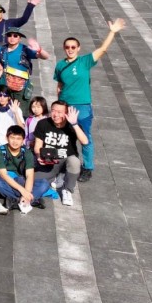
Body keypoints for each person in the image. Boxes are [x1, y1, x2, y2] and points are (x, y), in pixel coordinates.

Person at [53, 18, 125, 182]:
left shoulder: (84, 61)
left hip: (82, 107)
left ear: (78, 48)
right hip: (65, 106)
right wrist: (59, 105)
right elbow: (59, 85)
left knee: (85, 137)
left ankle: (88, 167)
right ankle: (70, 163)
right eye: (67, 47)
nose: (70, 49)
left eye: (73, 47)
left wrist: (112, 32)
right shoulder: (60, 65)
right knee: (66, 136)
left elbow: (103, 49)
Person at [33, 101, 89, 206]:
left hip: (66, 160)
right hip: (49, 161)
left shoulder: (71, 126)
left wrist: (75, 124)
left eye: (59, 112)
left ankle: (67, 189)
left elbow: (85, 142)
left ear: (66, 113)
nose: (55, 114)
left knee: (74, 161)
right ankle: (56, 177)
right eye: (53, 111)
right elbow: (37, 146)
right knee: (33, 181)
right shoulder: (43, 123)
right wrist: (39, 156)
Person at [0, 126, 48, 213]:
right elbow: (3, 175)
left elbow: (29, 175)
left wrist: (26, 192)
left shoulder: (27, 152)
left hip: (21, 180)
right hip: (7, 181)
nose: (15, 141)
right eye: (12, 138)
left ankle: (16, 201)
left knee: (44, 183)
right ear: (7, 138)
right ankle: (31, 200)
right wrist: (22, 191)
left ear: (23, 140)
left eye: (18, 139)